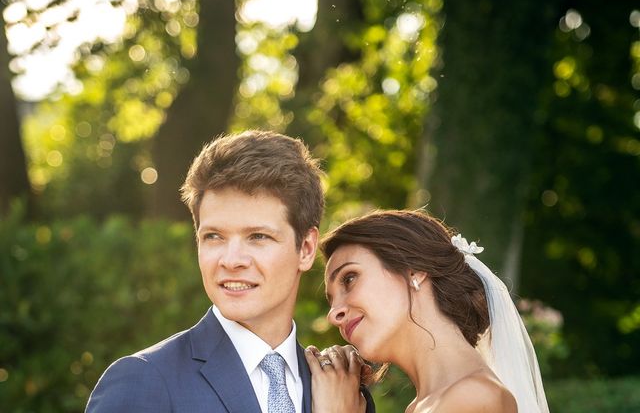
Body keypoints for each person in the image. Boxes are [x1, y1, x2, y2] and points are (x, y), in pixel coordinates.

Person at [86, 130, 375, 413]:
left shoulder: (344, 391)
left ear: (306, 248)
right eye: (214, 236)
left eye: (258, 237)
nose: (231, 260)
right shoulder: (143, 382)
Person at [307, 209, 549, 413]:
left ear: (414, 270)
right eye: (331, 301)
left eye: (349, 279)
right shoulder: (422, 407)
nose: (333, 314)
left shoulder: (475, 398)